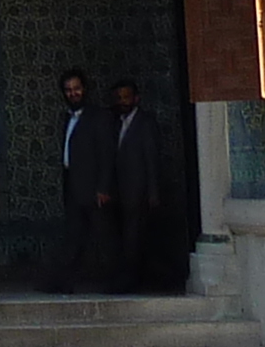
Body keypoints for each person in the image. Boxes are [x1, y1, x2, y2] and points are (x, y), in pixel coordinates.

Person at [98, 77, 185, 296]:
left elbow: (151, 159)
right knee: (123, 240)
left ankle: (131, 282)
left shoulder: (145, 123)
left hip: (138, 193)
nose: (122, 101)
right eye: (119, 98)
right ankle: (125, 279)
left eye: (126, 97)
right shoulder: (114, 123)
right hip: (120, 194)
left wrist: (153, 193)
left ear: (136, 99)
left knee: (133, 240)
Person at [52, 69, 113, 294]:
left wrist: (103, 187)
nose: (73, 93)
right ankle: (64, 281)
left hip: (94, 188)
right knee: (74, 235)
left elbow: (107, 154)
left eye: (76, 89)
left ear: (85, 89)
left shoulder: (98, 117)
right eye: (68, 90)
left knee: (105, 237)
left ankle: (118, 281)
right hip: (74, 186)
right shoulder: (67, 117)